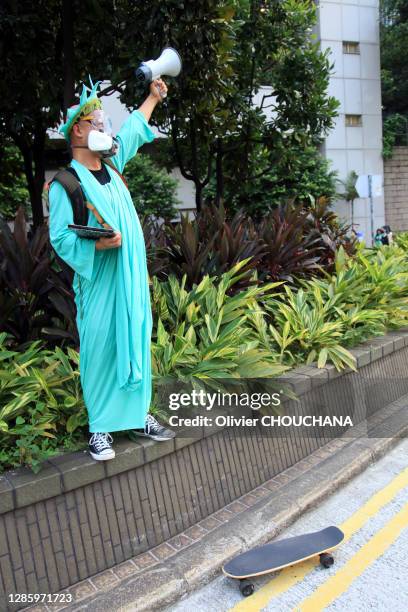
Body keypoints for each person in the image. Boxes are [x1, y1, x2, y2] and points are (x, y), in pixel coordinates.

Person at [48, 77, 175, 461]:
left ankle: (138, 415)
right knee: (102, 348)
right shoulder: (66, 183)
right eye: (98, 124)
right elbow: (60, 238)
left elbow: (134, 130)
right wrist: (98, 245)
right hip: (100, 281)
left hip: (131, 279)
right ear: (79, 131)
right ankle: (100, 428)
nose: (105, 129)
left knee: (135, 339)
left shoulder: (112, 166)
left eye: (105, 124)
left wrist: (153, 98)